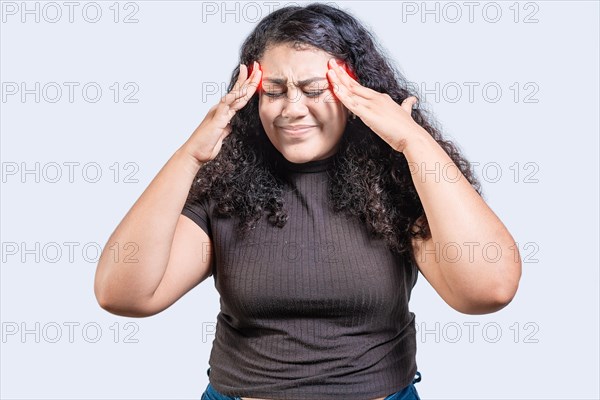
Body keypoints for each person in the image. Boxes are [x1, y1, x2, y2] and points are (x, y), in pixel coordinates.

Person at [94, 3, 522, 400]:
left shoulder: (396, 184)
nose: (291, 108)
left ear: (358, 96)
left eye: (315, 89)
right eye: (275, 91)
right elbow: (125, 294)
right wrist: (189, 156)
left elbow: (487, 290)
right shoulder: (224, 191)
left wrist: (412, 142)